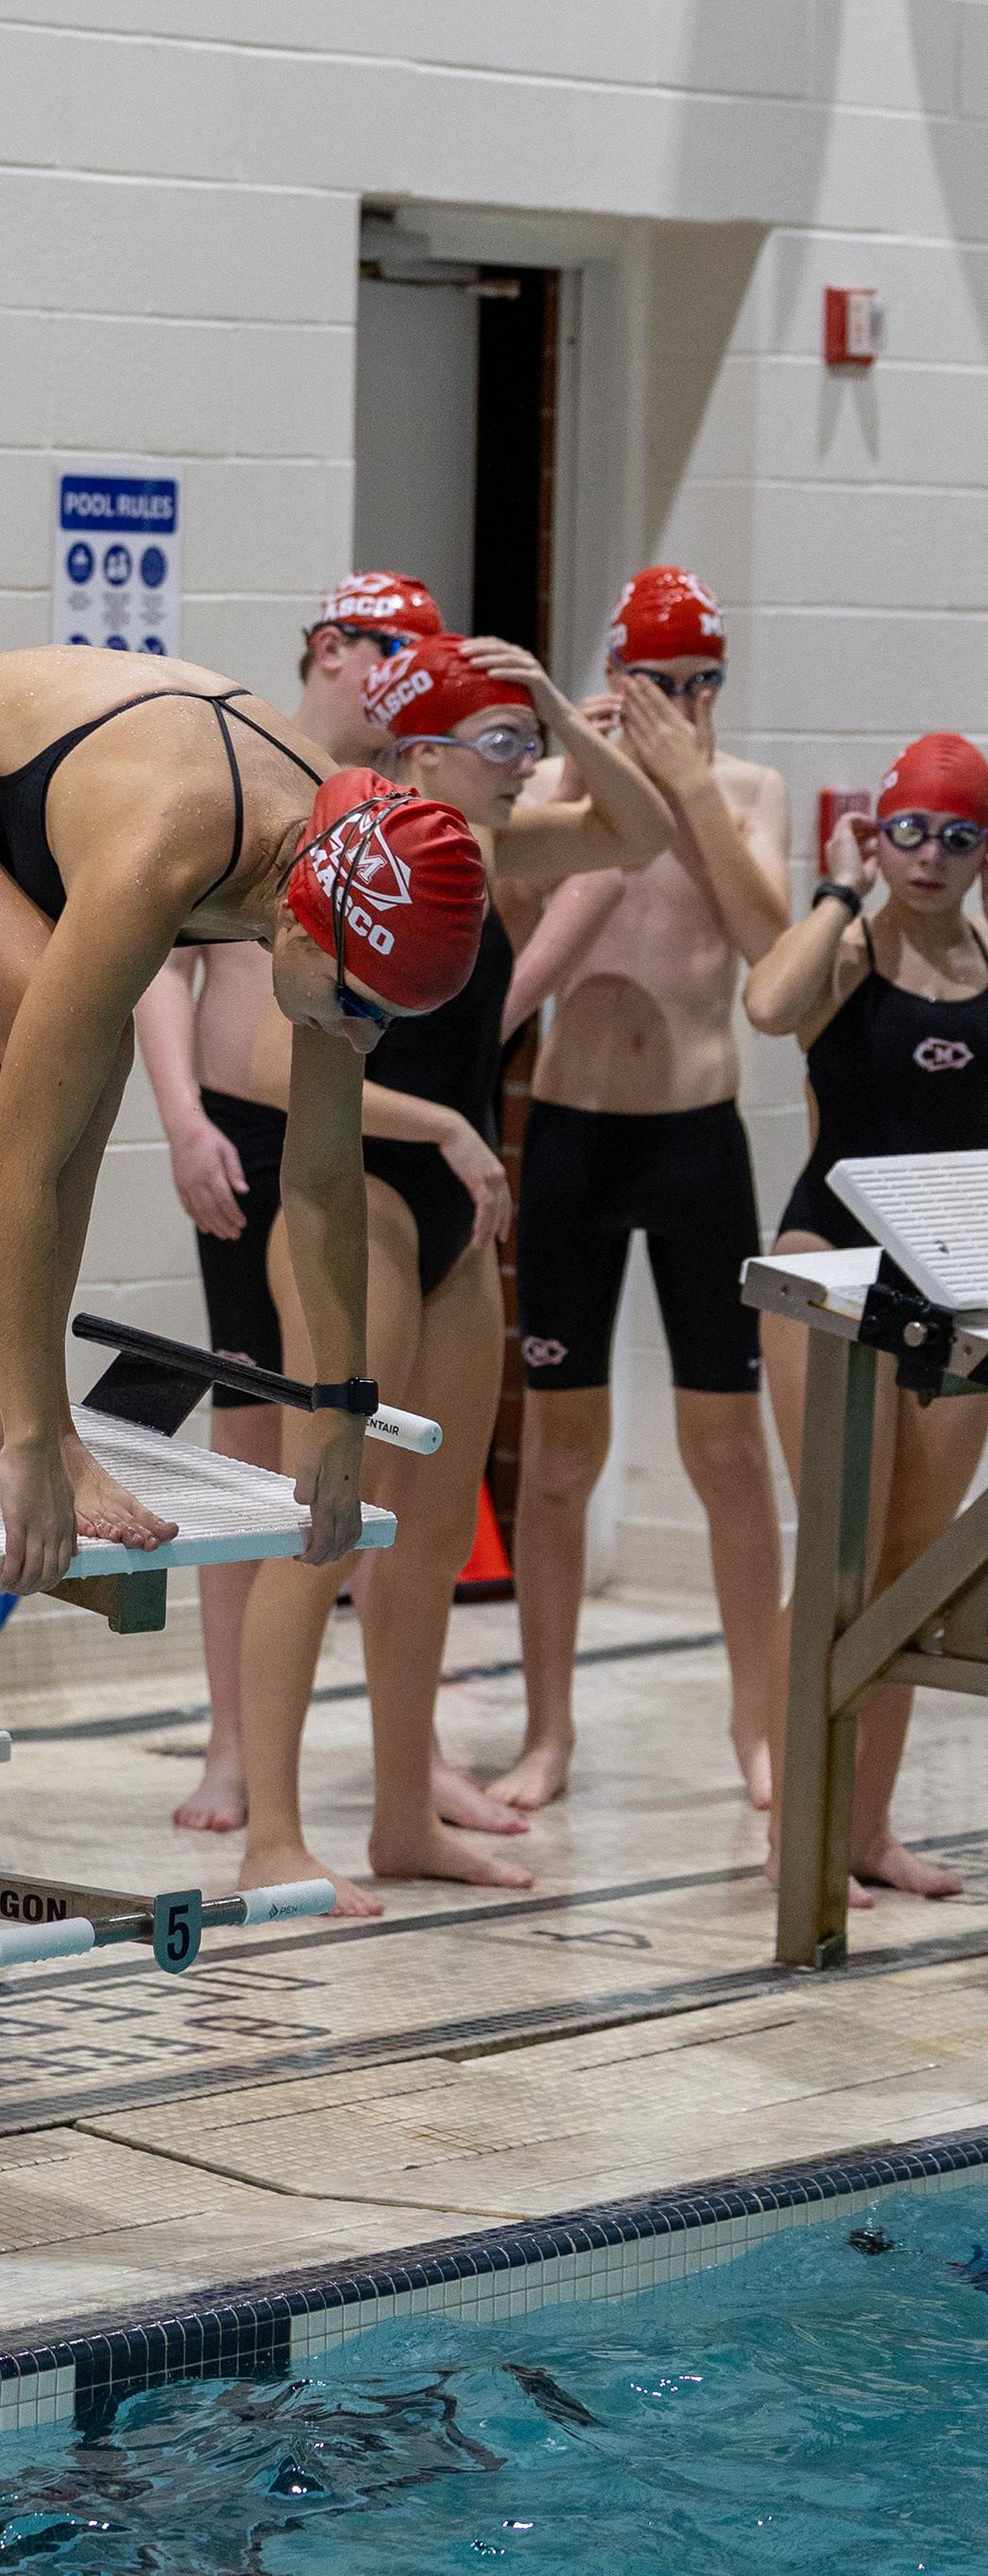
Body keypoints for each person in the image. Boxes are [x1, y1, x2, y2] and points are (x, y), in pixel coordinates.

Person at [0, 642, 491, 1602]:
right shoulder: (175, 844)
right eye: (357, 1004)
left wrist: (342, 1408)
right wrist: (31, 1435)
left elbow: (321, 1174)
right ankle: (39, 1426)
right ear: (300, 919)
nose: (361, 1036)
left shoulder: (348, 863)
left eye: (386, 1017)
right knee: (80, 1065)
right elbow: (25, 1170)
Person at [236, 631, 674, 1914]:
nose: (525, 765)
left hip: (455, 1223)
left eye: (528, 743)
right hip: (353, 1198)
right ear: (420, 752)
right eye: (501, 743)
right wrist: (443, 1126)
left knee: (429, 1538)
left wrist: (558, 709)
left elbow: (641, 832)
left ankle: (400, 1819)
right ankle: (272, 1837)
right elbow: (263, 1067)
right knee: (321, 1523)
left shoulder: (483, 851)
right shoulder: (345, 851)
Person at [132, 572, 515, 1839]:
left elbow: (609, 859)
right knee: (278, 1466)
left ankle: (407, 1777)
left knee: (406, 1494)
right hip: (274, 1143)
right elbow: (174, 977)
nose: (407, 668)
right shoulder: (266, 781)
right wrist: (181, 1118)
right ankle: (242, 1765)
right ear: (336, 648)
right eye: (395, 647)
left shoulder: (444, 816)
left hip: (386, 1143)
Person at [485, 568, 791, 1816]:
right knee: (561, 1455)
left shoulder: (750, 793)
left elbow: (770, 943)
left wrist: (693, 792)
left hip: (697, 1146)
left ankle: (756, 1725)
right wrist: (590, 778)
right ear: (618, 679)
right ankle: (547, 1729)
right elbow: (506, 931)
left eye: (706, 683)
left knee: (728, 1456)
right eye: (664, 683)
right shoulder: (563, 790)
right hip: (574, 1141)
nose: (687, 705)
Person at [744, 732, 988, 1903]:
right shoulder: (843, 954)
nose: (930, 857)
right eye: (910, 832)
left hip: (957, 1286)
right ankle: (802, 1832)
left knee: (911, 1575)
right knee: (840, 1558)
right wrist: (838, 888)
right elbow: (764, 1004)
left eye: (959, 836)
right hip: (833, 1274)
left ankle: (868, 1829)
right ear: (876, 836)